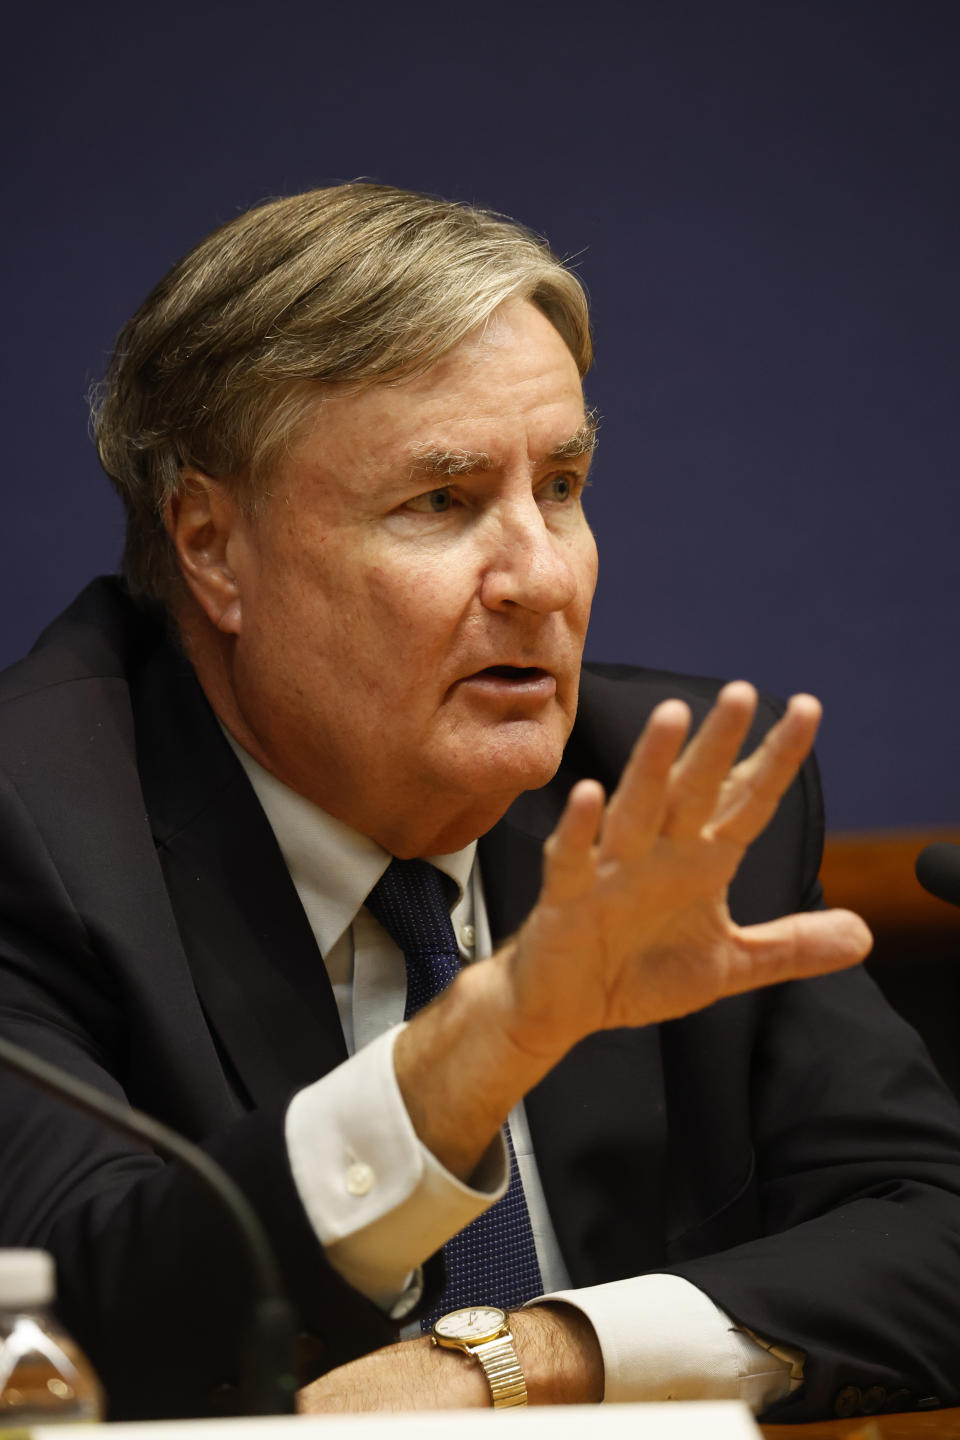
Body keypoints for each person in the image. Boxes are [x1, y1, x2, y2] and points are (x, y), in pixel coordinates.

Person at [1, 183, 959, 1426]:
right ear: (210, 545)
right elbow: (83, 1310)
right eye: (440, 503)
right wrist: (477, 1046)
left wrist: (516, 1359)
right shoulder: (37, 829)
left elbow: (931, 1229)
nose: (544, 576)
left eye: (561, 486)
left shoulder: (672, 801)